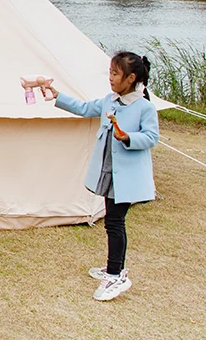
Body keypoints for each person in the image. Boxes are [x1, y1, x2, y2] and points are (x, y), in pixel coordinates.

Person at [45, 52, 159, 301]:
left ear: (130, 78)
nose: (110, 78)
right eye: (109, 72)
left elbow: (152, 137)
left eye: (115, 74)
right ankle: (112, 268)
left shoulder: (144, 107)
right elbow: (85, 108)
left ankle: (116, 275)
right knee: (112, 221)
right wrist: (57, 96)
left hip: (126, 178)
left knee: (115, 222)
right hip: (109, 172)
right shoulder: (110, 100)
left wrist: (128, 137)